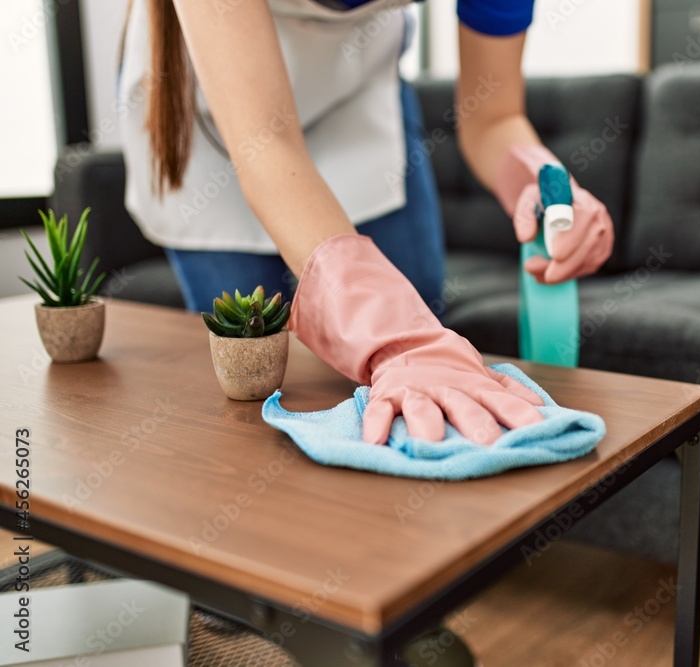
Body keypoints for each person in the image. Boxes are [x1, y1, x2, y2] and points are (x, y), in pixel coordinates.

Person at [117, 0, 615, 446]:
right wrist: (399, 341)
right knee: (251, 379)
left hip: (356, 90)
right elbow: (266, 145)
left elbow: (493, 116)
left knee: (421, 364)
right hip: (216, 107)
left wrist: (538, 179)